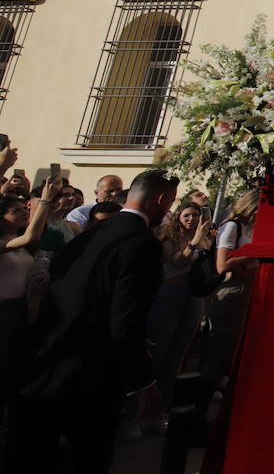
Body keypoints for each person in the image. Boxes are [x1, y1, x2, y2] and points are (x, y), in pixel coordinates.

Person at [7, 168, 178, 473]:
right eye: (170, 204)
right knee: (89, 460)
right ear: (163, 199)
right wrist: (144, 382)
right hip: (91, 379)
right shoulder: (142, 244)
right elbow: (124, 318)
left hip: (44, 367)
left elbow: (76, 293)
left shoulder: (88, 234)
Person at [148, 202, 214, 423]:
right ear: (178, 216)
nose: (191, 219)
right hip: (170, 293)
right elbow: (178, 261)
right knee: (160, 350)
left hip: (193, 295)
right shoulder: (169, 236)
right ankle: (139, 412)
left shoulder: (204, 237)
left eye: (195, 215)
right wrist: (195, 241)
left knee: (177, 354)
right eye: (187, 215)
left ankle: (163, 409)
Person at [203, 187, 260, 390]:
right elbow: (222, 265)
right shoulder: (233, 226)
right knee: (222, 350)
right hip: (235, 288)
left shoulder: (255, 227)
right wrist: (257, 254)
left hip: (252, 286)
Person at [1, 179, 55, 379]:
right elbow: (30, 236)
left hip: (23, 310)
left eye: (25, 208)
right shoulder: (4, 244)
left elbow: (35, 233)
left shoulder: (24, 246)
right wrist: (45, 201)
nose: (24, 213)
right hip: (4, 312)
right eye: (16, 211)